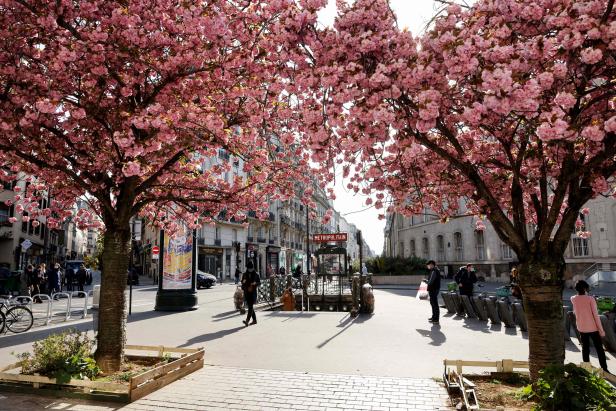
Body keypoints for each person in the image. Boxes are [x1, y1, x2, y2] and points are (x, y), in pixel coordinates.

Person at [571, 280, 609, 372]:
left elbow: (576, 310)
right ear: (585, 288)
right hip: (593, 328)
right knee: (599, 349)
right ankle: (604, 369)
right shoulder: (590, 299)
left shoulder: (573, 299)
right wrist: (601, 331)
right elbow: (596, 316)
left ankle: (586, 369)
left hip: (581, 328)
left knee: (585, 348)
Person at [241, 260, 261, 326]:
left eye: (251, 268)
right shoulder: (244, 274)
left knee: (250, 306)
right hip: (247, 292)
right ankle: (254, 320)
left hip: (253, 293)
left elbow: (259, 283)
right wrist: (243, 282)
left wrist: (255, 283)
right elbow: (242, 282)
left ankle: (247, 320)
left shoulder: (256, 274)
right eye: (249, 268)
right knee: (250, 307)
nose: (250, 269)